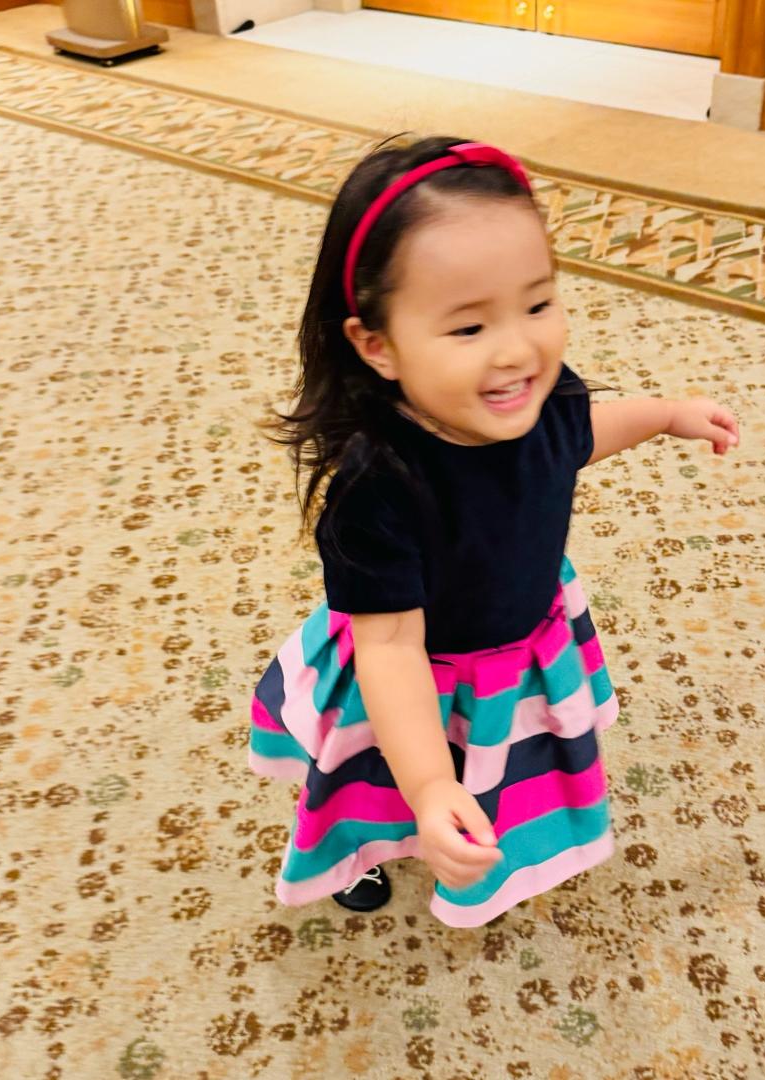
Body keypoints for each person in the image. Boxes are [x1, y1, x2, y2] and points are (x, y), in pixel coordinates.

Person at [249, 135, 739, 928]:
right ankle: (355, 855)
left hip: (517, 650)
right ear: (377, 344)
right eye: (469, 327)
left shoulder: (545, 400)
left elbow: (578, 437)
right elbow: (389, 648)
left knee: (498, 776)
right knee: (375, 784)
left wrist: (665, 415)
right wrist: (429, 785)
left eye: (538, 305)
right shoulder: (378, 486)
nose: (517, 349)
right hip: (411, 669)